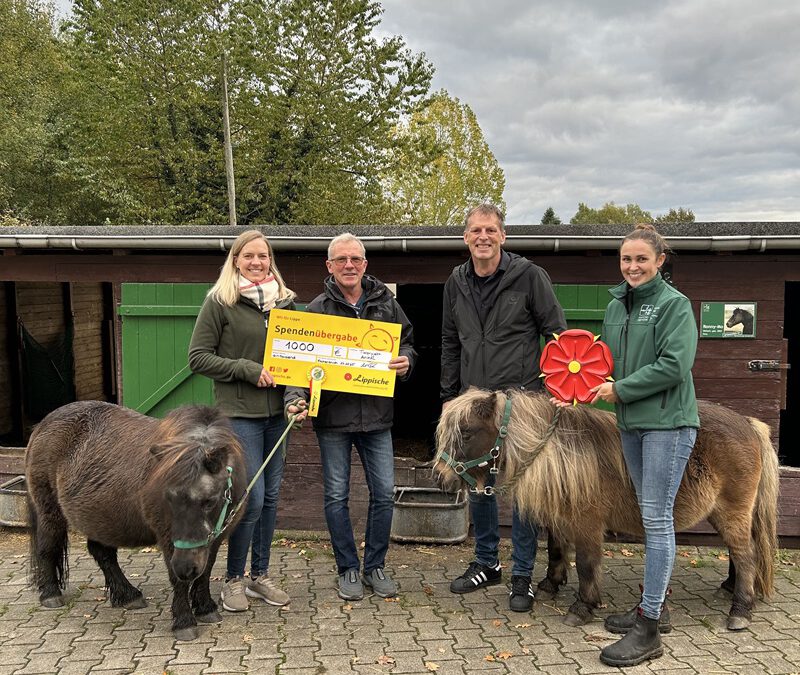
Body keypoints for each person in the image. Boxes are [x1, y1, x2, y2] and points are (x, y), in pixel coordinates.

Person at [440, 203, 567, 612]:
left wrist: (555, 391)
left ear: (503, 236)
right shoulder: (455, 282)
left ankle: (523, 576)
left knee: (525, 489)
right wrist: (449, 397)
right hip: (474, 402)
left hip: (523, 403)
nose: (483, 237)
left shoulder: (530, 277)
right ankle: (486, 562)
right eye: (476, 230)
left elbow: (557, 334)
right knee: (481, 485)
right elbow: (448, 342)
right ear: (466, 237)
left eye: (491, 230)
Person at [588, 223, 699, 667]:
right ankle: (653, 607)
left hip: (668, 424)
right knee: (647, 512)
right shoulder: (616, 307)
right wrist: (576, 384)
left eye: (641, 259)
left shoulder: (675, 305)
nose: (632, 267)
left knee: (656, 518)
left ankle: (649, 627)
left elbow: (675, 365)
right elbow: (603, 363)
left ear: (659, 261)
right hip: (630, 424)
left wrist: (621, 391)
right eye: (626, 259)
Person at [285, 233, 416, 601]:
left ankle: (375, 566)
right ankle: (348, 569)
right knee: (336, 496)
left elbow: (407, 342)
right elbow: (298, 365)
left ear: (364, 265)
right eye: (341, 259)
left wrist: (407, 362)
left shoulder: (386, 303)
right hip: (333, 419)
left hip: (377, 418)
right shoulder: (316, 310)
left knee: (384, 494)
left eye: (355, 259)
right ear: (329, 266)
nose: (348, 265)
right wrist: (295, 398)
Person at [188, 229, 297, 612]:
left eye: (263, 256)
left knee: (270, 501)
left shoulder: (284, 305)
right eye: (248, 256)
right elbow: (197, 357)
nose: (256, 262)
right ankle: (233, 579)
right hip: (240, 416)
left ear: (271, 261)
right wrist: (245, 368)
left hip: (277, 418)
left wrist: (296, 398)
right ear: (235, 260)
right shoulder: (220, 302)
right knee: (248, 501)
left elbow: (297, 363)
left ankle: (259, 577)